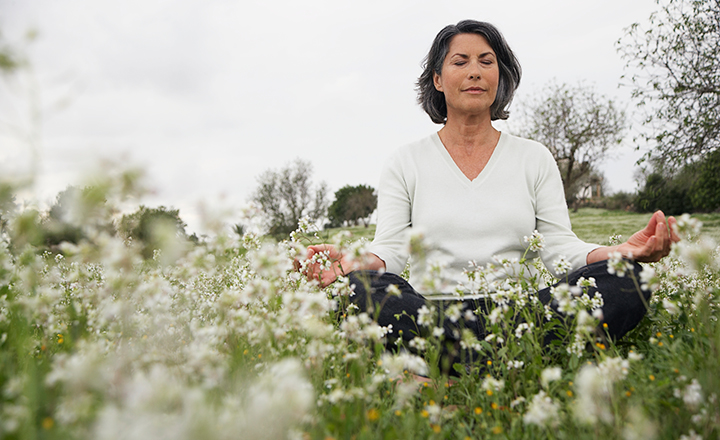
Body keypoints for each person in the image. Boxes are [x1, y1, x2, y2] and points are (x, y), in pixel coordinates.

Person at [304, 20, 679, 372]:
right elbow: (391, 249)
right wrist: (352, 263)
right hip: (430, 313)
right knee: (358, 291)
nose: (475, 71)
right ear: (437, 79)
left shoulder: (534, 157)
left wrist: (619, 255)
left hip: (522, 312)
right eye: (460, 61)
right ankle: (513, 361)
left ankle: (444, 366)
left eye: (487, 61)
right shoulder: (405, 161)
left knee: (629, 279)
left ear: (500, 78)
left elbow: (559, 249)